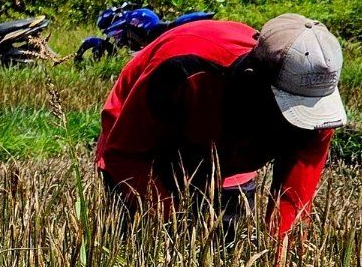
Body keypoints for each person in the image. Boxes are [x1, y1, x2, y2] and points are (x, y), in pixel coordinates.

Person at [94, 13, 347, 243]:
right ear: (252, 81)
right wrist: (174, 225)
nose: (298, 121)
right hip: (149, 150)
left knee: (223, 245)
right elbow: (125, 156)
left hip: (232, 155)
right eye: (288, 109)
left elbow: (293, 203)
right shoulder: (182, 70)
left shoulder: (316, 106)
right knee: (141, 244)